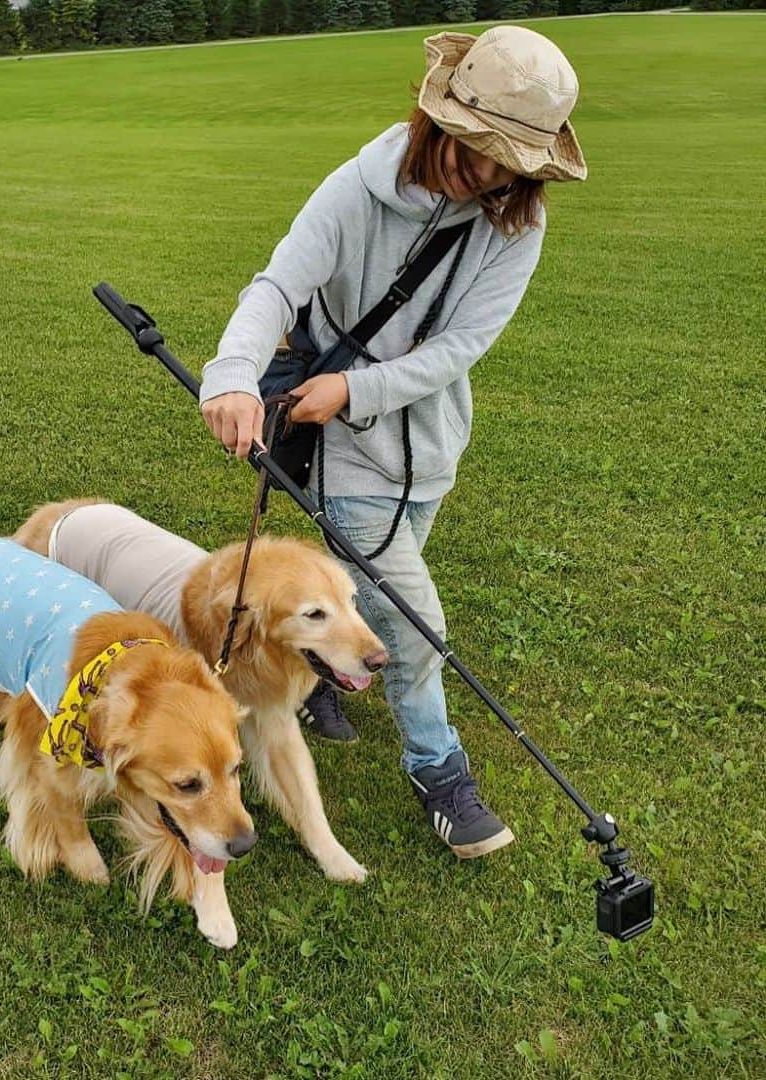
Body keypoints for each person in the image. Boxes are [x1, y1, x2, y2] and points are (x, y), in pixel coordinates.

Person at [198, 26, 587, 858]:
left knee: (354, 594)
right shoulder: (354, 187)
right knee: (412, 626)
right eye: (475, 150)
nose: (486, 176)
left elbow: (459, 349)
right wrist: (232, 373)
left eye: (506, 163)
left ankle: (318, 679)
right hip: (345, 452)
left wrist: (359, 388)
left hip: (432, 448)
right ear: (434, 117)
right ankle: (438, 771)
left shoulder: (518, 218)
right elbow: (278, 287)